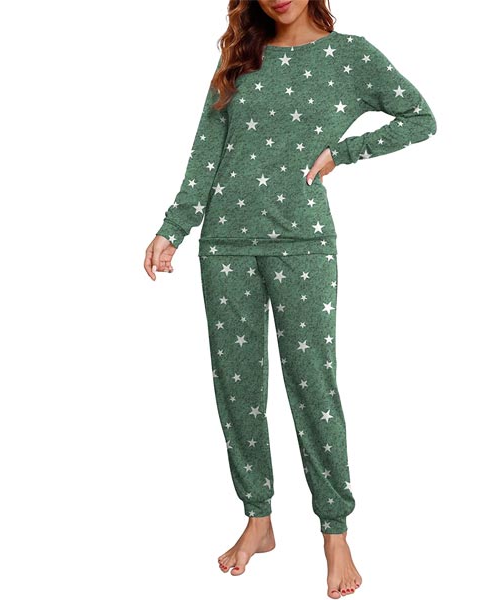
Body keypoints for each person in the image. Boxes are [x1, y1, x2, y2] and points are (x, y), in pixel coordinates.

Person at [144, 0, 437, 596]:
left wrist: (342, 153)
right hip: (225, 244)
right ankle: (258, 519)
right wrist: (173, 228)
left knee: (312, 384)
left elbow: (420, 117)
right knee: (237, 384)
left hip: (303, 242)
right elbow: (207, 150)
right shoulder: (240, 57)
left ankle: (335, 533)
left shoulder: (350, 56)